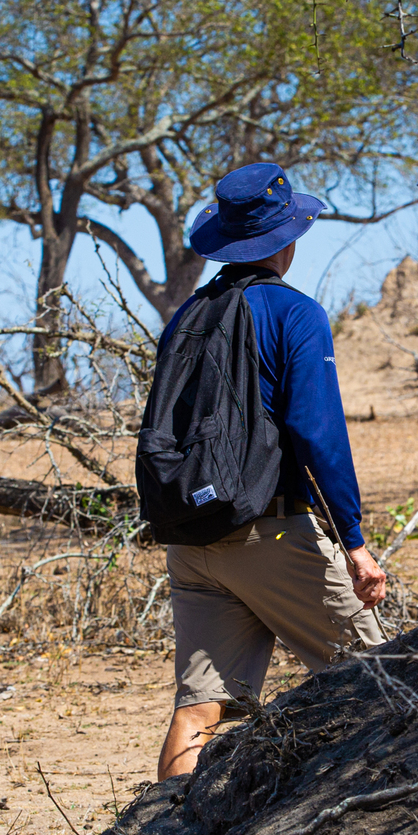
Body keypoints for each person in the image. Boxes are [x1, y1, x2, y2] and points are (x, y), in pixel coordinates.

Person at [155, 163, 389, 780]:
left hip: (192, 536)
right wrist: (355, 543)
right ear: (285, 241)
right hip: (271, 533)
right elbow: (318, 434)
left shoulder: (186, 316)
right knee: (386, 682)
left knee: (198, 710)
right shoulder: (295, 314)